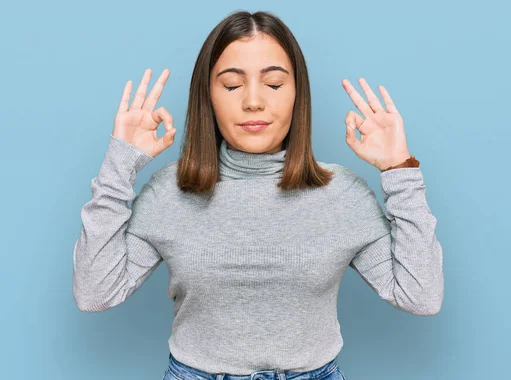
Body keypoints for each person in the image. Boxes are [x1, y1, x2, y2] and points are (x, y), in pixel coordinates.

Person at [72, 10, 444, 380]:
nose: (253, 101)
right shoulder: (170, 192)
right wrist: (120, 162)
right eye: (232, 85)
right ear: (208, 97)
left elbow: (419, 296)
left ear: (298, 94)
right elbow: (95, 292)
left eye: (274, 84)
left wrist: (399, 170)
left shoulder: (342, 194)